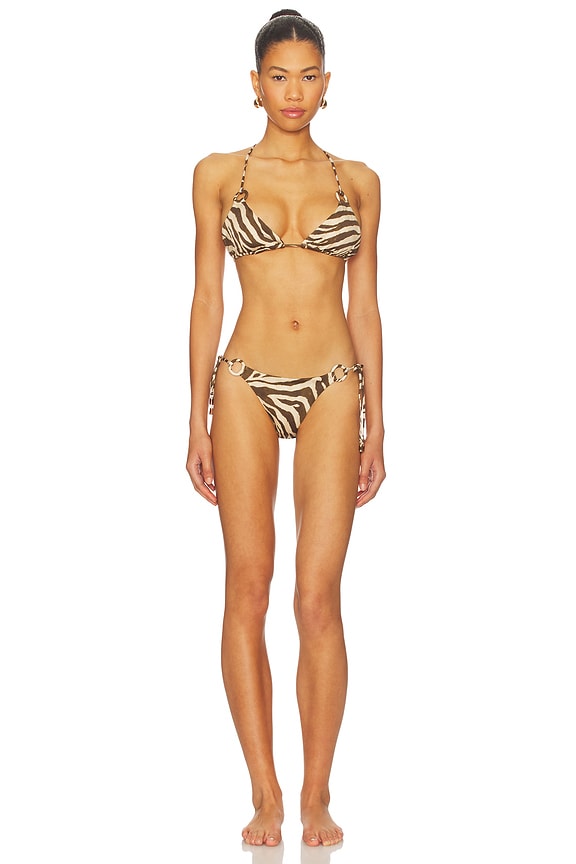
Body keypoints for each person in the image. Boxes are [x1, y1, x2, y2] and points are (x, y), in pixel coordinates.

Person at [186, 9, 385, 848]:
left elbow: (365, 305)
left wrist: (380, 420)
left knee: (317, 597)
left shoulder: (360, 181)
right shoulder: (217, 174)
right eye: (279, 76)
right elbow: (207, 297)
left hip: (335, 383)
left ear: (326, 84)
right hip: (243, 382)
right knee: (248, 585)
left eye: (308, 76)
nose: (293, 91)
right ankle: (264, 792)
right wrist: (194, 416)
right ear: (255, 83)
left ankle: (318, 792)